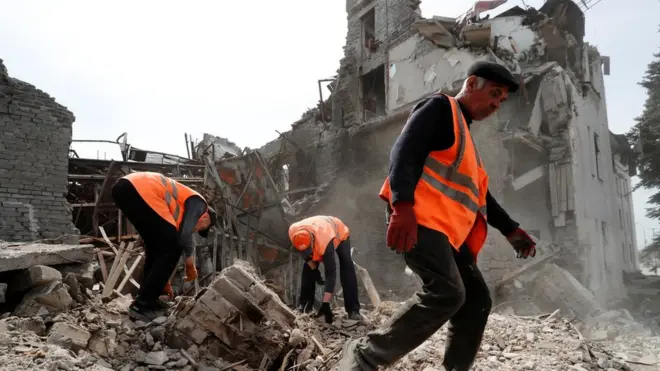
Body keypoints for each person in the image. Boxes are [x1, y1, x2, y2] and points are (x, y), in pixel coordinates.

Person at [338, 61, 538, 371]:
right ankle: (364, 356)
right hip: (419, 221)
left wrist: (511, 230)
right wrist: (402, 206)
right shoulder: (440, 107)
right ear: (471, 84)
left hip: (447, 236)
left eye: (502, 100)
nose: (497, 104)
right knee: (447, 291)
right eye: (494, 94)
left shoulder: (467, 142)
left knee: (476, 301)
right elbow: (404, 151)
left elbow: (480, 197)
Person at [112, 171, 217, 321]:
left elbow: (161, 254)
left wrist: (162, 281)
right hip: (140, 189)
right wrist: (189, 263)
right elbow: (184, 235)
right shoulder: (200, 204)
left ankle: (146, 298)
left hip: (124, 189)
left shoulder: (180, 207)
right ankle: (142, 305)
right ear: (206, 217)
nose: (197, 230)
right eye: (202, 228)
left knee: (155, 249)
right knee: (174, 246)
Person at [288, 215, 362, 322]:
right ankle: (304, 305)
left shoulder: (325, 242)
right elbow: (303, 254)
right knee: (308, 270)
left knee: (346, 266)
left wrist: (325, 303)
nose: (309, 253)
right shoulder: (293, 232)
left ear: (312, 240)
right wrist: (314, 270)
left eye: (309, 249)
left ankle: (353, 309)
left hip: (338, 231)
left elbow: (331, 274)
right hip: (316, 227)